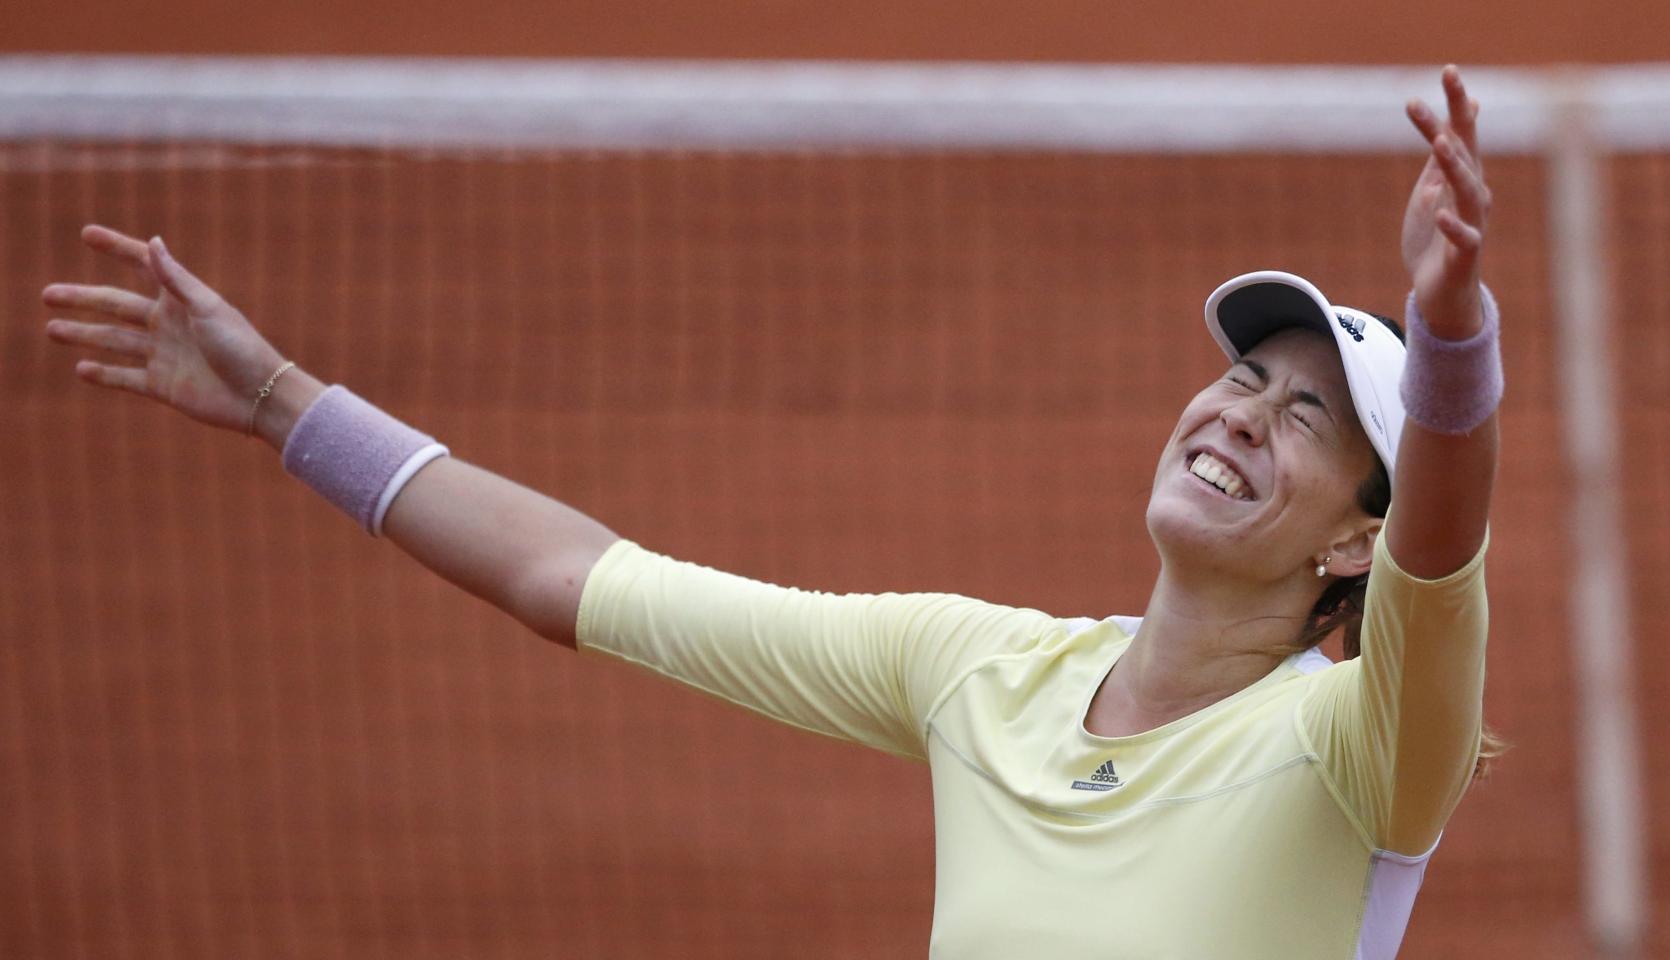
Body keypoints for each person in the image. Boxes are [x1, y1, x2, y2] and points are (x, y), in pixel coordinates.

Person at [41, 65, 1500, 959]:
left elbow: (1440, 552)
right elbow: (579, 581)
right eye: (1242, 377)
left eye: (1306, 417)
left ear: (1350, 540)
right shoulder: (979, 672)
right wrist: (286, 404)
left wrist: (1446, 331)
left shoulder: (1359, 743)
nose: (1240, 412)